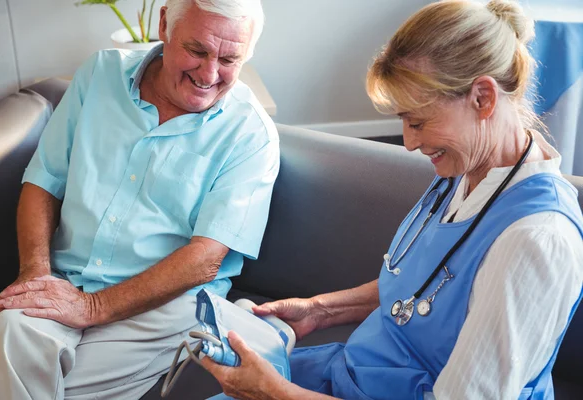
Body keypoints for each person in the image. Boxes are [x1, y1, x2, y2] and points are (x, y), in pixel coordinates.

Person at [202, 1, 583, 399]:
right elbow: (429, 286)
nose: (410, 142)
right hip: (356, 376)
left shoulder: (536, 241)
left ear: (483, 98)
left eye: (418, 121)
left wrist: (274, 393)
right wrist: (319, 310)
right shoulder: (471, 167)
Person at [0, 0, 278, 398]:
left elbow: (206, 259)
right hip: (66, 280)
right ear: (164, 25)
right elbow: (44, 179)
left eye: (229, 59)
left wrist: (92, 309)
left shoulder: (251, 133)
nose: (209, 74)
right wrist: (35, 276)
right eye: (196, 50)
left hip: (163, 306)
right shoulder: (99, 74)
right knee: (8, 331)